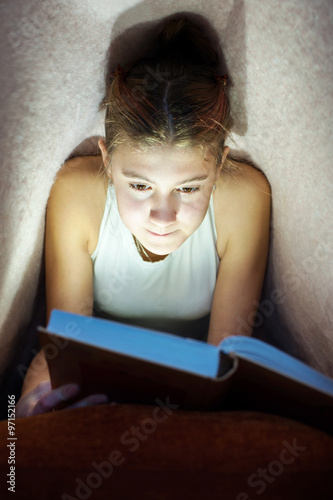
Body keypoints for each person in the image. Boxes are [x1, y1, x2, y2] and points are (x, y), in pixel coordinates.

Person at [16, 15, 271, 417]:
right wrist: (37, 414)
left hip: (188, 397)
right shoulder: (77, 193)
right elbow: (65, 344)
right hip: (92, 382)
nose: (163, 216)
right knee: (35, 405)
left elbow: (225, 361)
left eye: (188, 189)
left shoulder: (243, 199)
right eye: (139, 186)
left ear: (220, 167)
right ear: (106, 158)